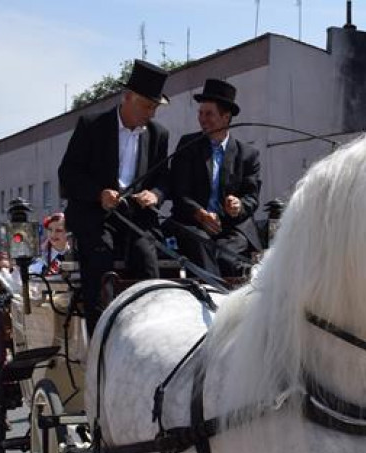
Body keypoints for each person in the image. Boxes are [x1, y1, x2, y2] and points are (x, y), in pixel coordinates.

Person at [58, 59, 171, 335]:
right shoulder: (91, 125)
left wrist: (154, 195)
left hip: (135, 218)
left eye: (155, 108)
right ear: (127, 98)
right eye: (147, 106)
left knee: (148, 263)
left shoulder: (158, 134)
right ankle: (101, 337)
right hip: (95, 215)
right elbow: (68, 175)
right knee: (100, 262)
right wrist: (99, 194)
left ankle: (149, 332)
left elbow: (164, 179)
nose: (151, 113)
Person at [167, 78, 262, 282]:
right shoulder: (188, 145)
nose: (202, 119)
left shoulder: (248, 155)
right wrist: (201, 215)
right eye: (200, 113)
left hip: (231, 228)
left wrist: (238, 206)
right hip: (193, 223)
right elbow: (179, 191)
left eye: (209, 114)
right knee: (202, 245)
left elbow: (251, 198)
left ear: (225, 117)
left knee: (227, 258)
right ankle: (215, 301)